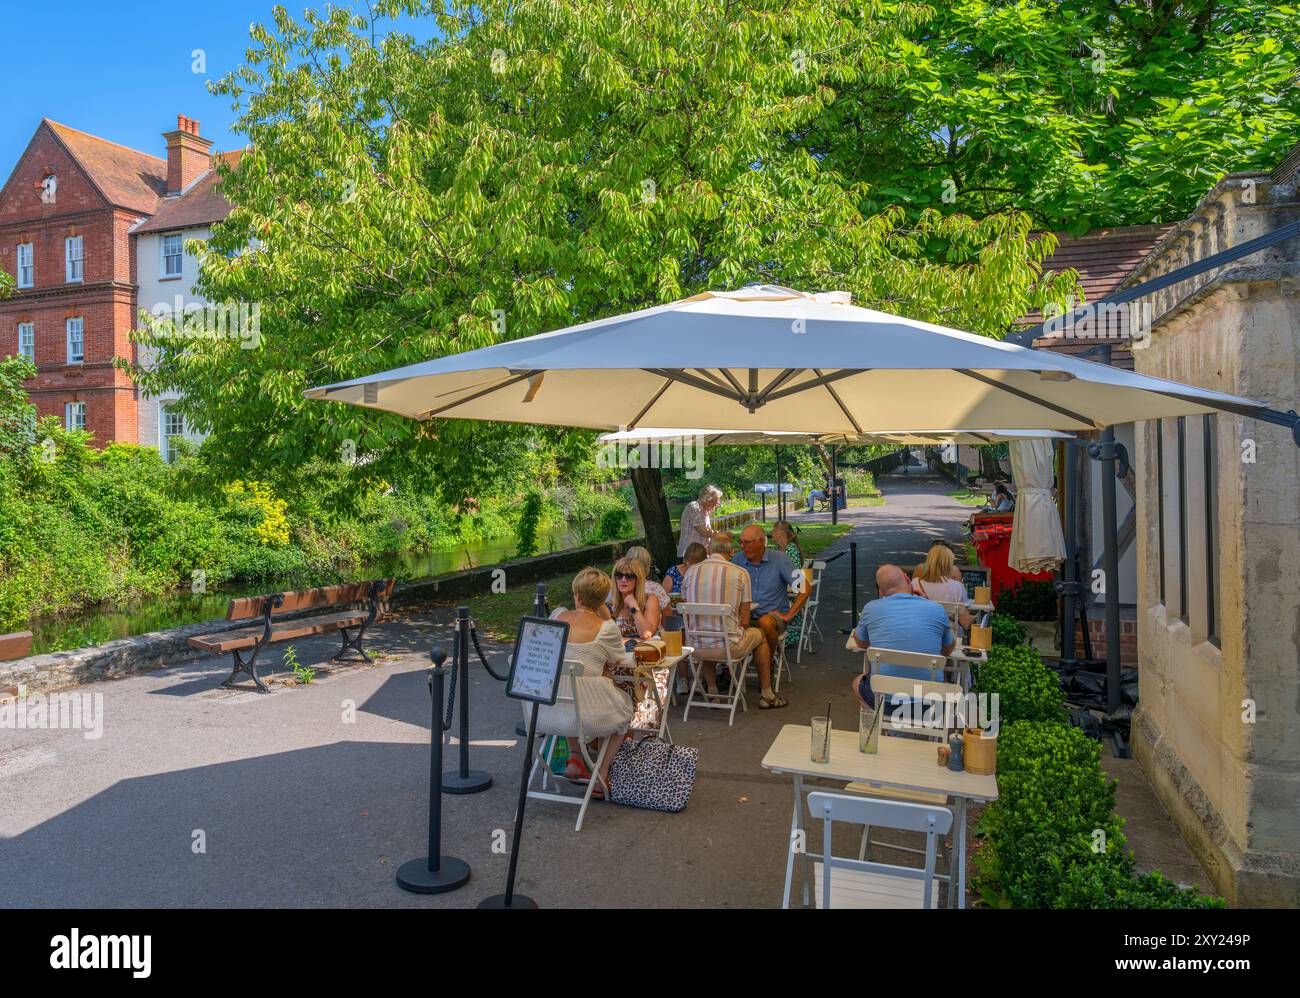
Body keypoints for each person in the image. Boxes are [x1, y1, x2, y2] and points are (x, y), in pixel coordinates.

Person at [536, 568, 635, 795]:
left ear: (576, 595)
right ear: (603, 599)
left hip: (545, 711)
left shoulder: (557, 618)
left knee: (569, 690)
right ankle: (601, 772)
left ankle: (575, 758)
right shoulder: (606, 628)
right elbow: (618, 659)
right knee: (623, 713)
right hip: (589, 715)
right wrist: (603, 611)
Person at [681, 533, 787, 708]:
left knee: (706, 631)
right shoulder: (740, 573)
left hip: (696, 648)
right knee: (760, 635)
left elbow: (686, 609)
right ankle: (767, 694)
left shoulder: (691, 572)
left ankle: (713, 692)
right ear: (731, 553)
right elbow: (745, 620)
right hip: (728, 649)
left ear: (708, 549)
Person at [850, 564, 955, 709]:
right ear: (907, 578)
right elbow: (948, 649)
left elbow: (861, 643)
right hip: (928, 703)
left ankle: (880, 727)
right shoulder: (936, 609)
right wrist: (927, 601)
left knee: (857, 683)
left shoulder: (871, 608)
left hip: (884, 701)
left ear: (881, 591)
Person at [732, 523, 809, 665]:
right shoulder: (738, 560)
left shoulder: (780, 559)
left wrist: (789, 615)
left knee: (765, 622)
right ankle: (725, 673)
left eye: (747, 542)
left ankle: (769, 662)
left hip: (773, 615)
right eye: (740, 542)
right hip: (744, 616)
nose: (742, 546)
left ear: (761, 541)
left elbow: (805, 587)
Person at [911, 540, 973, 629]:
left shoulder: (915, 583)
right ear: (948, 563)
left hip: (920, 629)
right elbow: (965, 622)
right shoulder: (956, 587)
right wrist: (973, 620)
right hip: (948, 633)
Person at [770, 520, 806, 654]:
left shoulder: (791, 548)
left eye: (773, 530)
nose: (771, 534)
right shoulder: (776, 549)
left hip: (792, 590)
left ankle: (785, 635)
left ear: (780, 534)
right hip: (781, 589)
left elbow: (794, 574)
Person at [607, 556, 661, 641]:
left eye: (629, 576)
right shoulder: (611, 605)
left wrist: (634, 606)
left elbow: (647, 634)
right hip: (621, 652)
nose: (623, 580)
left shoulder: (650, 600)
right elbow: (607, 639)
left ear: (638, 580)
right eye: (619, 575)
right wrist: (634, 641)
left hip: (646, 652)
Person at [678, 484, 722, 557]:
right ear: (709, 498)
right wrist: (722, 535)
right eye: (717, 499)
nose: (719, 502)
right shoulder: (694, 507)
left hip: (699, 554)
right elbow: (704, 532)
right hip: (689, 555)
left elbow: (708, 532)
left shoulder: (705, 510)